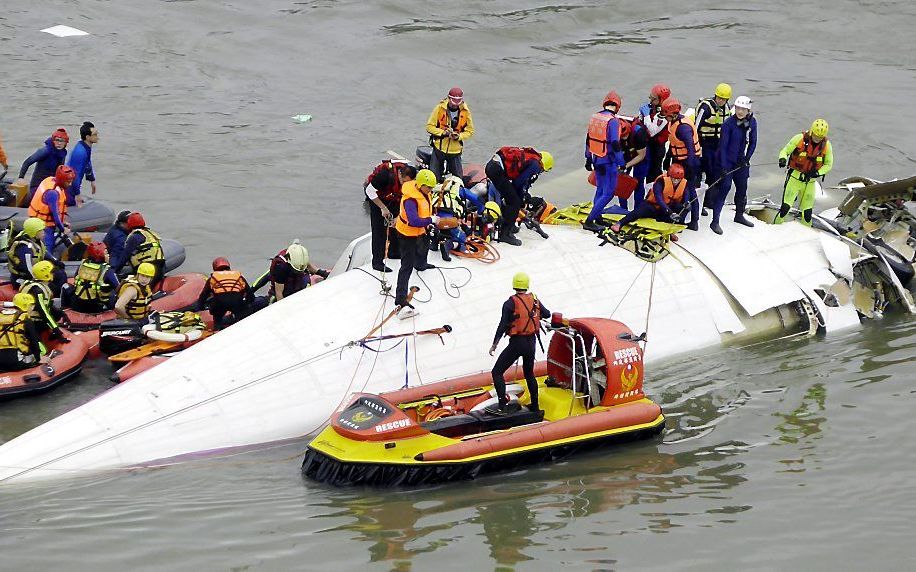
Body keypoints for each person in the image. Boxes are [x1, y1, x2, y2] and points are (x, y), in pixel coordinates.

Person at [488, 272, 551, 415]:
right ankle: (535, 405)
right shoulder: (534, 300)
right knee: (529, 373)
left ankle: (502, 405)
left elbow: (503, 325)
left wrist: (494, 344)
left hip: (517, 343)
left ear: (514, 285)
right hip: (531, 343)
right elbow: (547, 314)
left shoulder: (510, 303)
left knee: (497, 372)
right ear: (527, 285)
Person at [484, 147, 553, 246]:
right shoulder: (535, 165)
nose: (540, 172)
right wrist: (522, 198)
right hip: (497, 171)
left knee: (511, 197)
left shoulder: (532, 158)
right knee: (514, 201)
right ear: (544, 166)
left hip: (493, 166)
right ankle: (505, 234)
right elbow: (518, 182)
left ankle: (509, 225)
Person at [394, 169, 439, 318]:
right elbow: (413, 221)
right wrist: (430, 220)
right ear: (420, 185)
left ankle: (421, 264)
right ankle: (400, 299)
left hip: (421, 231)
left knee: (423, 247)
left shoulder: (422, 190)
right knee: (406, 266)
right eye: (429, 188)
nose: (430, 190)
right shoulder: (410, 200)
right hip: (407, 234)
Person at [712, 95, 758, 234]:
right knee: (724, 188)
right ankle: (715, 221)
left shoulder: (752, 122)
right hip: (727, 162)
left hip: (742, 163)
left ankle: (739, 215)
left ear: (748, 110)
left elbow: (753, 142)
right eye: (738, 108)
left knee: (742, 189)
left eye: (743, 109)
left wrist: (747, 158)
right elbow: (723, 147)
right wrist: (724, 166)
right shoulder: (728, 124)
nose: (740, 111)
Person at [776, 119, 834, 226]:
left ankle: (806, 231)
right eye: (816, 136)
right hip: (794, 178)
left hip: (810, 182)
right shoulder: (799, 138)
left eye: (820, 137)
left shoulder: (827, 146)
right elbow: (785, 151)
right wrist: (782, 159)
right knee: (785, 207)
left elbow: (828, 164)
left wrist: (817, 173)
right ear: (811, 132)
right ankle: (776, 226)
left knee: (807, 213)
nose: (817, 139)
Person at [584, 91, 626, 232]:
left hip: (597, 159)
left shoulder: (595, 117)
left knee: (600, 189)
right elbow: (614, 142)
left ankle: (597, 216)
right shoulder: (613, 121)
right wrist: (621, 162)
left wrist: (588, 158)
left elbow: (588, 139)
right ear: (617, 106)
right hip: (609, 161)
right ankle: (590, 221)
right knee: (608, 193)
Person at [364, 160, 416, 272]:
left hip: (394, 197)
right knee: (379, 230)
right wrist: (383, 208)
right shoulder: (385, 176)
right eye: (405, 182)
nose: (406, 185)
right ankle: (377, 262)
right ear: (400, 175)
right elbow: (370, 191)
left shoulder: (409, 181)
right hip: (377, 197)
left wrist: (399, 216)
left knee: (396, 224)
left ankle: (394, 252)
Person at [610, 164, 688, 234]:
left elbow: (687, 196)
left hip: (665, 209)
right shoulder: (661, 181)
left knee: (682, 207)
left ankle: (671, 231)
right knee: (638, 212)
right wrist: (670, 212)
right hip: (653, 206)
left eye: (678, 179)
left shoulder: (684, 183)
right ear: (669, 175)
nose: (675, 181)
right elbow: (659, 198)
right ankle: (620, 223)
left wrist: (686, 204)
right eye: (674, 179)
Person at [662, 97, 701, 231]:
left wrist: (688, 168)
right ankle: (679, 215)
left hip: (689, 161)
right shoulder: (673, 122)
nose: (665, 118)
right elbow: (674, 143)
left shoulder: (683, 128)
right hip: (678, 159)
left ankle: (694, 220)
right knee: (679, 190)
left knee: (689, 190)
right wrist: (668, 158)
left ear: (673, 114)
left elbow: (690, 149)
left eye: (666, 115)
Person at [695, 83, 732, 214]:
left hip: (717, 144)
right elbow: (695, 127)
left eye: (723, 99)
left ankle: (708, 201)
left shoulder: (727, 108)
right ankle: (697, 203)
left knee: (713, 173)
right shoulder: (706, 107)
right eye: (719, 98)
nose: (720, 101)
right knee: (699, 173)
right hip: (704, 142)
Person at [252, 240, 328, 303]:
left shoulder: (300, 257)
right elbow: (279, 293)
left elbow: (309, 266)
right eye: (297, 270)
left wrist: (323, 273)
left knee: (306, 284)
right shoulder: (281, 267)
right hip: (282, 283)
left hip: (296, 280)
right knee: (272, 300)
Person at [425, 87, 474, 180]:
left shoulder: (465, 112)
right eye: (453, 102)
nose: (455, 105)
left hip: (455, 151)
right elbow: (429, 127)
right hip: (439, 149)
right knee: (433, 177)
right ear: (448, 98)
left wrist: (459, 136)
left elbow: (470, 131)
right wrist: (443, 133)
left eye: (458, 103)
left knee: (458, 178)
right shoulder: (439, 108)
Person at [28, 164, 75, 253]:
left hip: (41, 222)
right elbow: (55, 215)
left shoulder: (50, 180)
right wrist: (63, 228)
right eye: (68, 182)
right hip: (43, 226)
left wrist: (64, 222)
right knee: (47, 247)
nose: (70, 184)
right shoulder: (52, 193)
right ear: (61, 180)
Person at [62, 241, 119, 313]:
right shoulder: (107, 270)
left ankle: (64, 310)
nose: (108, 255)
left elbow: (75, 279)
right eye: (106, 253)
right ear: (101, 255)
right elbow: (118, 288)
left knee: (66, 286)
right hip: (97, 306)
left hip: (77, 303)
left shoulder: (83, 264)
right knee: (113, 293)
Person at [197, 257, 253, 329]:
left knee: (217, 316)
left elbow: (203, 296)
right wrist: (247, 303)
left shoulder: (212, 278)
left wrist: (200, 308)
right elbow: (250, 294)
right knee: (242, 312)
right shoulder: (239, 276)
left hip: (219, 303)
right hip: (237, 302)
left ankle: (217, 327)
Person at [18, 260, 67, 339]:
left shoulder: (33, 285)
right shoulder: (38, 290)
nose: (53, 274)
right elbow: (43, 311)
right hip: (32, 322)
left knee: (57, 314)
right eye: (51, 272)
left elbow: (48, 305)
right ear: (46, 274)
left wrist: (62, 314)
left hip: (28, 319)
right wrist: (56, 329)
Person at [113, 212, 164, 284]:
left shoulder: (134, 237)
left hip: (146, 271)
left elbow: (125, 256)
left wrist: (114, 270)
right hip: (159, 270)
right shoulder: (150, 234)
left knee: (125, 281)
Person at [16, 128, 69, 197]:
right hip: (37, 186)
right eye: (57, 140)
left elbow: (60, 171)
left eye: (62, 141)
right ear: (53, 140)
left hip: (51, 185)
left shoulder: (62, 153)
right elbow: (27, 162)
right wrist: (21, 177)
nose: (59, 143)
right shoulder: (45, 151)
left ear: (66, 143)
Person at [0, 293, 46, 372]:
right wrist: (39, 358)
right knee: (37, 355)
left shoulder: (2, 316)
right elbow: (34, 341)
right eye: (31, 305)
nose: (33, 307)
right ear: (25, 306)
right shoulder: (26, 320)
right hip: (16, 361)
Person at [638, 84, 672, 181]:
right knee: (646, 169)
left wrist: (646, 116)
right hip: (648, 144)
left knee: (654, 172)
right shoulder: (652, 107)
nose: (651, 101)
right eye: (650, 98)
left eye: (653, 99)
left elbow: (653, 131)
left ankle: (654, 191)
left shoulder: (665, 112)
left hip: (657, 146)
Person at [6, 217, 49, 286]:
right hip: (22, 279)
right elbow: (28, 269)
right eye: (41, 230)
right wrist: (41, 279)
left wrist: (56, 264)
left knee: (59, 274)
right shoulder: (24, 247)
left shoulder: (37, 242)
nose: (44, 232)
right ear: (34, 232)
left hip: (35, 274)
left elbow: (45, 255)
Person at [65, 121, 99, 207]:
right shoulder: (80, 152)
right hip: (68, 188)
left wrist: (92, 180)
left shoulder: (85, 147)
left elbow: (87, 163)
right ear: (87, 137)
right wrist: (77, 194)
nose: (97, 137)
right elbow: (74, 176)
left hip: (73, 186)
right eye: (95, 135)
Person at [620, 118, 650, 208]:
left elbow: (641, 156)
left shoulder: (639, 133)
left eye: (625, 136)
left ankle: (637, 209)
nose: (624, 138)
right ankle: (622, 209)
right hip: (625, 153)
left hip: (640, 152)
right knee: (621, 181)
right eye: (622, 137)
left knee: (638, 181)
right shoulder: (613, 134)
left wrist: (626, 165)